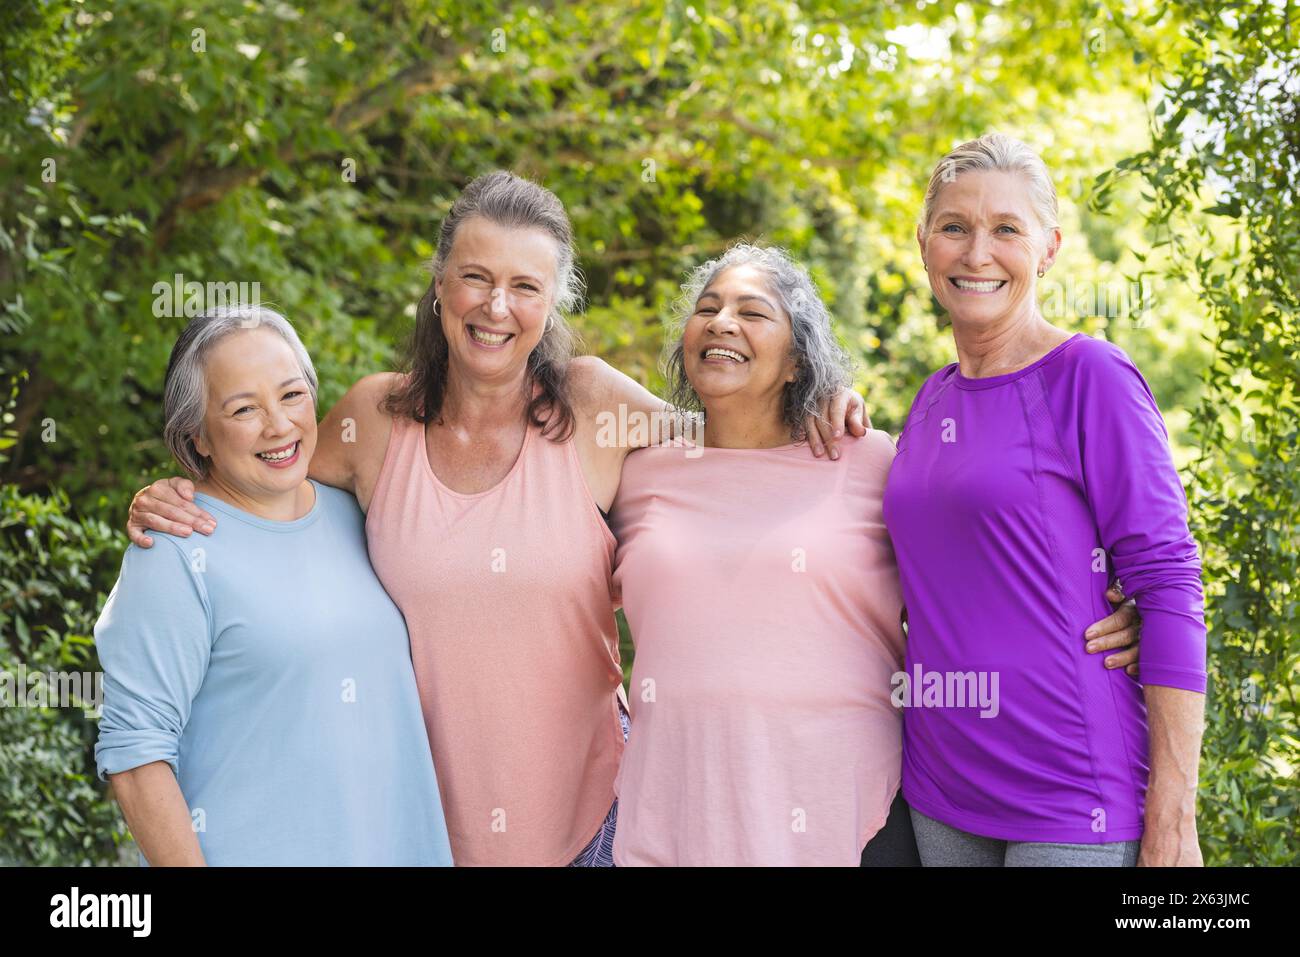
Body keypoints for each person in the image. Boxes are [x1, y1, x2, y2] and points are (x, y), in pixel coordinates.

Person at [124, 172, 868, 866]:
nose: (496, 305)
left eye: (524, 286)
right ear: (440, 283)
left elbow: (739, 445)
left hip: (596, 829)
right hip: (416, 838)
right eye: (476, 277)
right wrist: (184, 490)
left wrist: (823, 405)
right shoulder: (373, 422)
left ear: (552, 302)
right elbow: (266, 494)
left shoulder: (594, 405)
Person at [608, 244, 1144, 866]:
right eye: (708, 308)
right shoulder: (635, 472)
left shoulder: (871, 461)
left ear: (797, 360)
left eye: (752, 313)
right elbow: (556, 587)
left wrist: (1115, 606)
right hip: (676, 814)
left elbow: (984, 572)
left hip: (856, 821)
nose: (722, 321)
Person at [883, 132, 1206, 866]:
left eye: (1006, 230)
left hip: (1072, 796)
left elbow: (1170, 586)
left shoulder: (1091, 376)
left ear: (1049, 248)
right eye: (955, 227)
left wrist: (1174, 818)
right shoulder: (931, 399)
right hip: (940, 786)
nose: (976, 254)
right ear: (925, 241)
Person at [95, 307, 453, 866]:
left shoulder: (361, 514)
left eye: (291, 395)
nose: (278, 425)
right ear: (199, 437)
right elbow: (136, 758)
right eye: (243, 409)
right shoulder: (173, 553)